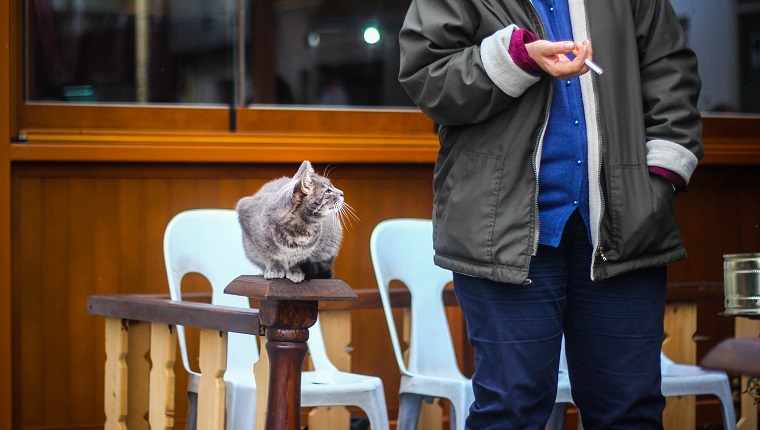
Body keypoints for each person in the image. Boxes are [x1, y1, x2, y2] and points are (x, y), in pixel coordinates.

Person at [398, 0, 701, 429]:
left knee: (630, 412)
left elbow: (671, 70)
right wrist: (516, 58)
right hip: (501, 227)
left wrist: (660, 177)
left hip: (626, 225)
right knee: (511, 412)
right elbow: (428, 80)